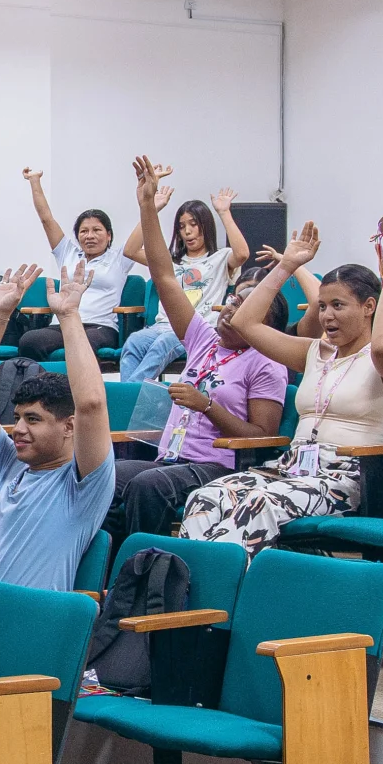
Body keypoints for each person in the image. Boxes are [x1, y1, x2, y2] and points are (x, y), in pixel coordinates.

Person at [180, 222, 383, 553]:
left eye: (338, 305)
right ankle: (198, 590)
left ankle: (231, 591)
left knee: (258, 503)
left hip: (344, 479)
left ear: (369, 307)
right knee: (205, 497)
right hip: (291, 467)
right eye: (322, 306)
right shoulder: (314, 352)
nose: (326, 316)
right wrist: (287, 265)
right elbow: (245, 323)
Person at [113, 159, 288, 540]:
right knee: (99, 475)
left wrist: (206, 405)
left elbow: (260, 438)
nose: (229, 308)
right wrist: (147, 206)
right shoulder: (204, 339)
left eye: (244, 306)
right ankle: (105, 572)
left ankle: (146, 571)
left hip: (218, 465)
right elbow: (163, 276)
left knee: (147, 487)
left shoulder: (266, 363)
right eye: (232, 300)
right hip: (171, 457)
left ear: (264, 323)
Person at [0, 262, 113, 590]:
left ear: (69, 426)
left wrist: (68, 317)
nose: (19, 430)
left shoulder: (82, 486)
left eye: (34, 419)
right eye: (18, 419)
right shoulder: (8, 463)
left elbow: (92, 404)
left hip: (27, 628)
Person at [121, 183, 247, 384]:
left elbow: (242, 253)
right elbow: (130, 250)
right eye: (181, 226)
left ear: (205, 225)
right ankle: (130, 397)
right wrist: (150, 209)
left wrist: (224, 213)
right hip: (161, 326)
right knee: (133, 342)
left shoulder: (220, 258)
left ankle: (128, 395)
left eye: (193, 224)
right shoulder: (168, 261)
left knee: (163, 344)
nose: (187, 231)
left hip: (197, 328)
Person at [13, 167, 142, 362]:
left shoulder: (120, 258)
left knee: (82, 342)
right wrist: (34, 181)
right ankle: (43, 387)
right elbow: (46, 219)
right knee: (29, 341)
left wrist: (151, 206)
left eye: (97, 230)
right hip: (62, 323)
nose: (89, 236)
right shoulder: (68, 253)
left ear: (109, 235)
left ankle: (77, 391)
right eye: (84, 231)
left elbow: (143, 232)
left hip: (99, 327)